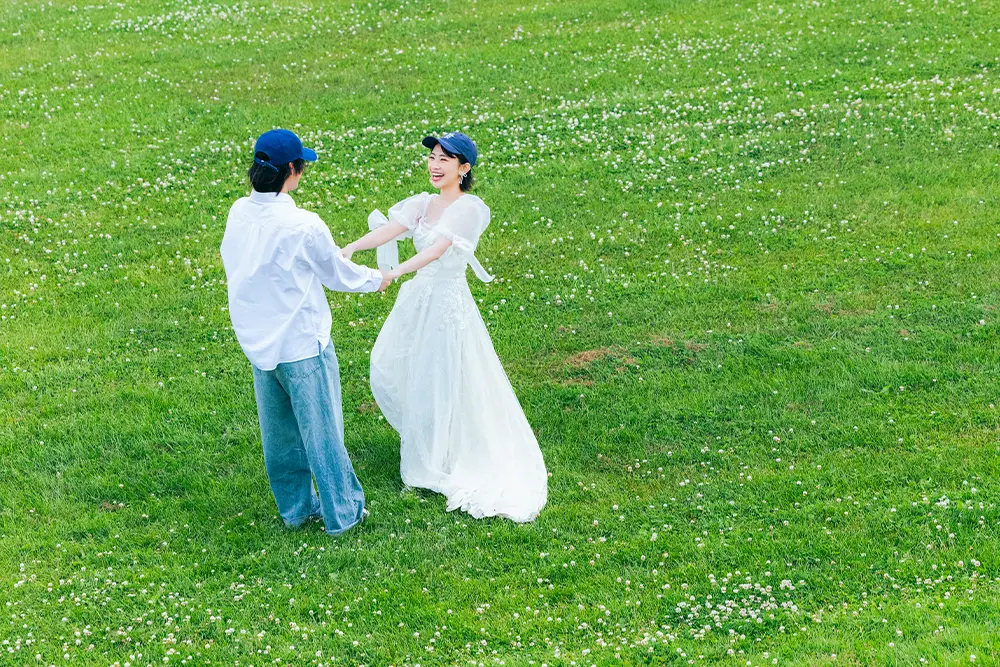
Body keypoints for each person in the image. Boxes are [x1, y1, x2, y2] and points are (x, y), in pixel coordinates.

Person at [342, 133, 547, 522]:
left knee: (441, 375)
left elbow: (437, 249)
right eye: (433, 158)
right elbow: (391, 230)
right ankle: (425, 441)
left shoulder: (470, 209)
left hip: (447, 304)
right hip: (419, 300)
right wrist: (352, 247)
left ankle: (436, 457)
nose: (435, 166)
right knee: (394, 365)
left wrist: (396, 270)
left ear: (463, 168)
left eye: (445, 160)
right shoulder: (423, 203)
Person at [220, 128, 391, 536]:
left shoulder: (238, 213)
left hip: (260, 343)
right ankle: (344, 515)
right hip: (301, 342)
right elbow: (337, 274)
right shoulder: (303, 224)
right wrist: (377, 278)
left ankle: (296, 510)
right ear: (292, 171)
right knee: (323, 433)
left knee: (279, 437)